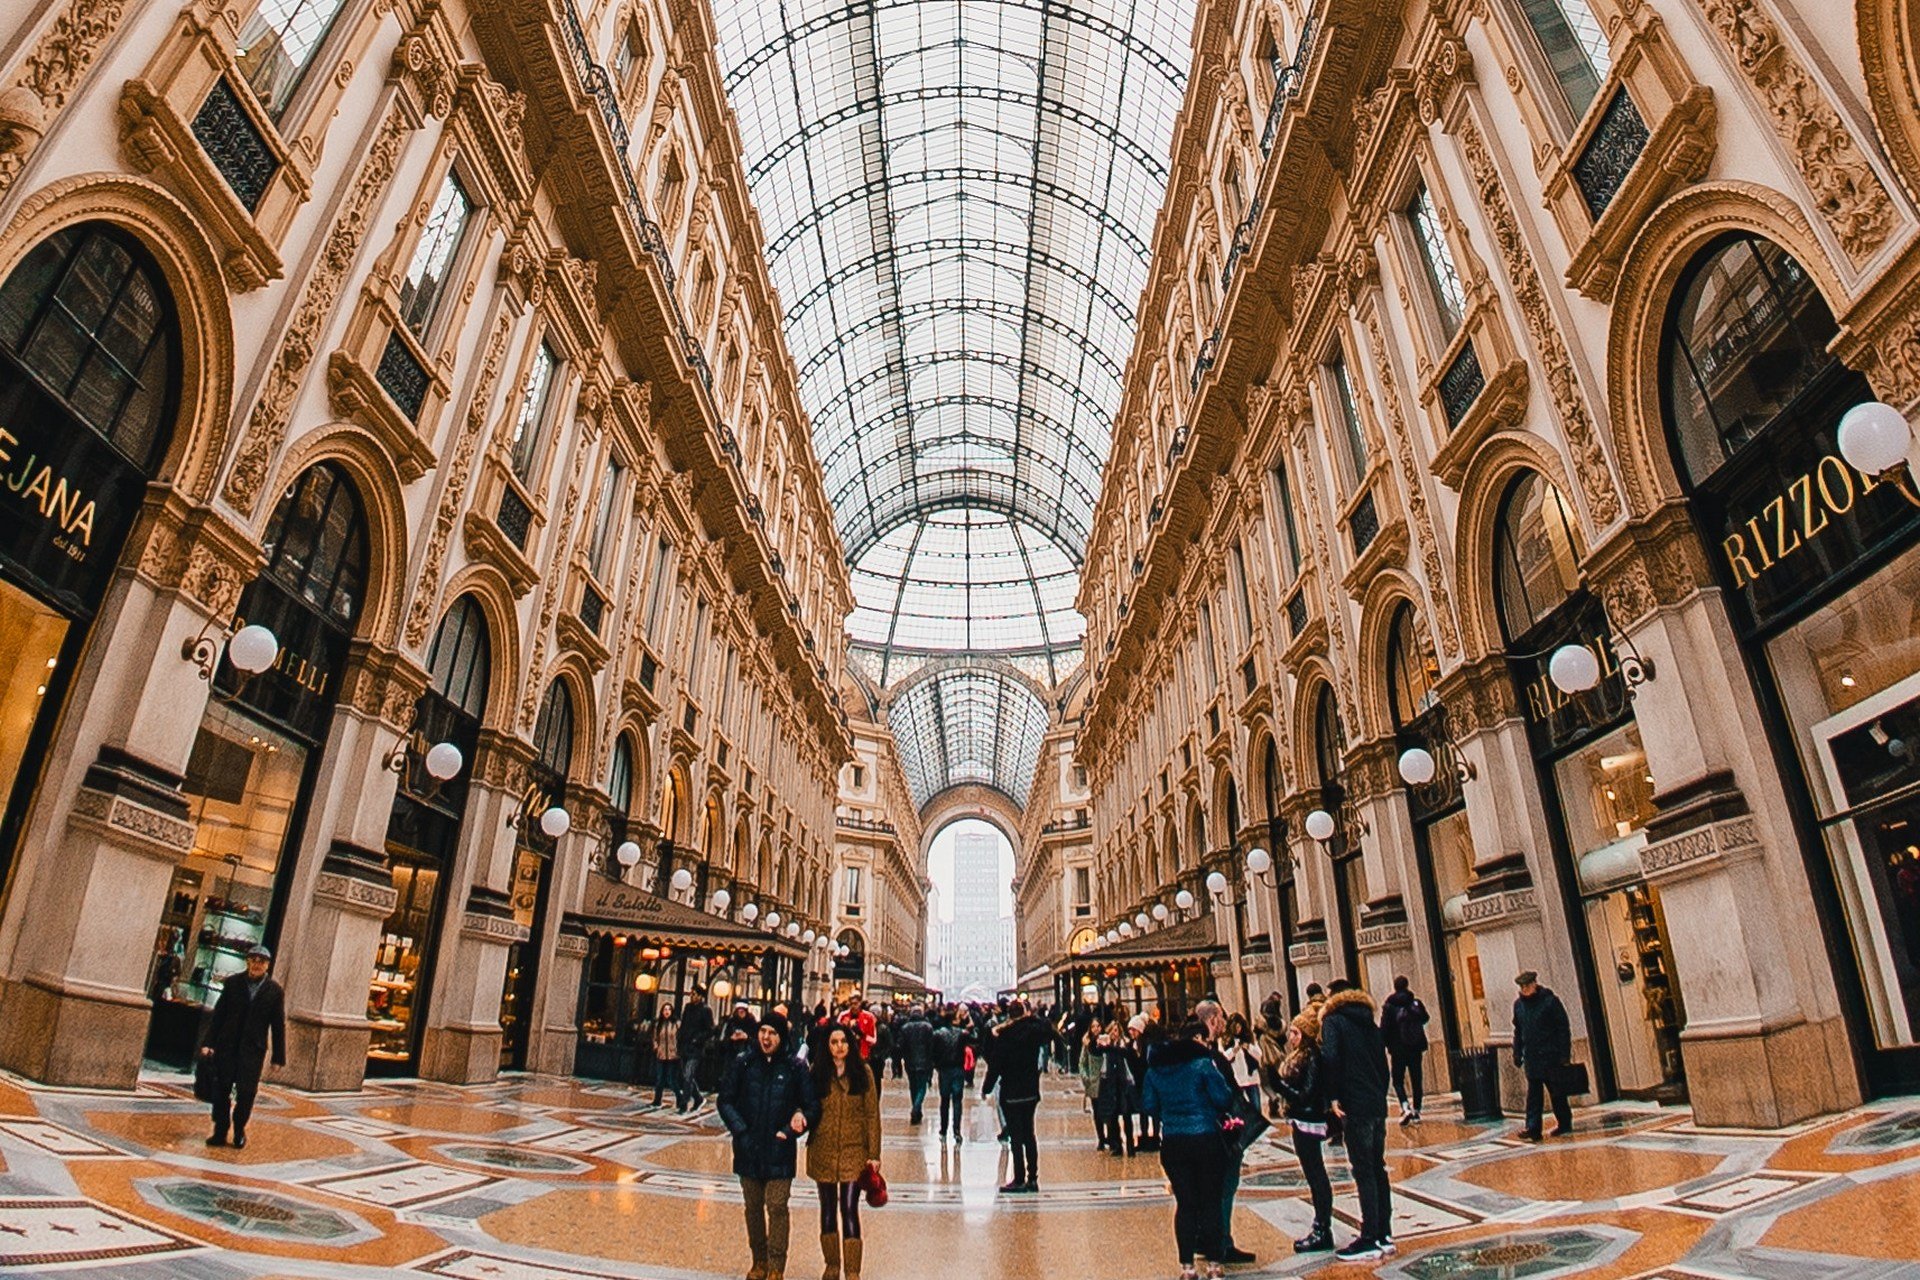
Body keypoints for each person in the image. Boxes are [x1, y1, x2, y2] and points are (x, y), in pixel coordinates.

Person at [719, 1014, 818, 1280]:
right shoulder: (744, 1063)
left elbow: (811, 1106)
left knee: (776, 1206)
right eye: (763, 1031)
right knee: (752, 1207)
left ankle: (776, 1266)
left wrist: (793, 1126)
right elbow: (725, 1100)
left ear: (781, 1037)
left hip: (779, 1148)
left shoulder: (795, 1068)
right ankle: (758, 1261)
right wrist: (740, 1130)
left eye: (772, 1033)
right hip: (748, 1147)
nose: (766, 1037)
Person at [1141, 1019, 1236, 1280]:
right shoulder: (1203, 1065)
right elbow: (1223, 1098)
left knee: (1185, 1204)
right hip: (1205, 1139)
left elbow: (1148, 1105)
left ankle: (1187, 1267)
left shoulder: (1155, 1071)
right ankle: (1215, 1266)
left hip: (1173, 1142)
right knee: (1210, 1202)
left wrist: (1169, 1112)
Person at [1319, 983, 1393, 1261]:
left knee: (1362, 1169)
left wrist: (1334, 1096)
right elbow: (1383, 1064)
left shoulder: (1333, 1022)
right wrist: (1378, 1092)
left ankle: (1369, 1237)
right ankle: (1384, 1233)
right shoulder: (1369, 1022)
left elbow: (1331, 1058)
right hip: (1375, 1102)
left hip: (1355, 1103)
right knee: (1377, 1167)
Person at [807, 1026, 881, 1280]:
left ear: (850, 1045)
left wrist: (874, 1153)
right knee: (827, 1207)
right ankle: (832, 1264)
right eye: (833, 1042)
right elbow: (807, 1106)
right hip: (823, 1148)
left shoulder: (864, 1073)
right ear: (827, 1046)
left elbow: (872, 1114)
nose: (839, 1046)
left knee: (849, 1207)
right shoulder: (817, 1072)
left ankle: (852, 1270)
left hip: (854, 1149)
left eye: (843, 1041)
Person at [199, 943, 287, 1149]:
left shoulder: (274, 991)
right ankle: (220, 1130)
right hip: (227, 1046)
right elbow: (219, 1015)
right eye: (253, 960)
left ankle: (239, 1129)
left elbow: (278, 1024)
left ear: (268, 965)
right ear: (247, 961)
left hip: (252, 1050)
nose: (257, 965)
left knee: (247, 1092)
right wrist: (208, 1043)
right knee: (221, 1088)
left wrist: (278, 1057)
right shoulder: (233, 983)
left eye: (261, 961)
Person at [1196, 1000, 1257, 1267]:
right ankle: (1221, 1242)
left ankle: (1206, 1237)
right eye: (1220, 1016)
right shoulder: (1212, 1059)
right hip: (1221, 1134)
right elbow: (1225, 1095)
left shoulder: (1192, 1056)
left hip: (1201, 1134)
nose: (1224, 1021)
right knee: (1224, 1188)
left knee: (1207, 1188)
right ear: (1211, 1020)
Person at [982, 999, 1061, 1192]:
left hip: (1011, 1092)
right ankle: (1033, 1178)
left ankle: (1019, 1179)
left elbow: (996, 1065)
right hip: (1030, 1091)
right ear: (1024, 1013)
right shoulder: (1033, 1032)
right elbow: (1049, 1029)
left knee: (1016, 1137)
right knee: (1029, 1135)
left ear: (1009, 1015)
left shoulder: (1004, 1036)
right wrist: (1031, 1017)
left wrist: (986, 1088)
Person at [1274, 1008, 1334, 1254]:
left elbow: (1307, 1093)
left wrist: (1282, 1088)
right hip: (1302, 1119)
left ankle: (1322, 1229)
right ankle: (1321, 1226)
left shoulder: (1311, 1056)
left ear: (1306, 1034)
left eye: (1295, 1032)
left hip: (1309, 1120)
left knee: (1316, 1174)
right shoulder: (1302, 1054)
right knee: (1313, 1174)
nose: (1290, 1036)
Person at [1511, 970, 1575, 1140]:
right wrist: (1517, 1052)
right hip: (1532, 1057)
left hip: (1550, 1056)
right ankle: (1533, 1128)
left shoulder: (1549, 1002)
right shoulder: (1519, 1006)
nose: (1525, 989)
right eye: (1522, 987)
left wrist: (1564, 1055)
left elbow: (1563, 1029)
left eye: (1527, 986)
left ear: (1534, 984)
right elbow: (1518, 1031)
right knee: (1534, 1095)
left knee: (1557, 1092)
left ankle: (1564, 1122)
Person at [1380, 976, 1431, 1124]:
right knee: (1417, 1079)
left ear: (1395, 987)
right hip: (1415, 1048)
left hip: (1398, 1049)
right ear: (1407, 986)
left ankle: (1404, 1106)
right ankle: (1417, 1109)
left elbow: (1384, 1029)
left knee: (1397, 1080)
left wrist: (1384, 1044)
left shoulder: (1389, 1006)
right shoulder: (1415, 1002)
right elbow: (1425, 1018)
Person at [931, 1006, 973, 1143]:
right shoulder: (962, 1033)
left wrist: (936, 1065)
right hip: (958, 1069)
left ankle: (943, 1129)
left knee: (944, 1100)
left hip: (944, 1070)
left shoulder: (938, 1034)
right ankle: (957, 1130)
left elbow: (934, 1052)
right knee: (957, 1100)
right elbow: (976, 1039)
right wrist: (968, 1022)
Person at [895, 1004, 935, 1125]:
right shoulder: (928, 1027)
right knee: (922, 1088)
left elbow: (900, 1046)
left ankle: (916, 1110)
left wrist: (899, 1061)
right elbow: (931, 1046)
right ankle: (916, 1109)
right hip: (924, 1062)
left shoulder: (905, 1028)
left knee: (913, 1087)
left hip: (910, 1061)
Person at [680, 989, 717, 1109]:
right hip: (685, 1045)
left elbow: (710, 1030)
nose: (691, 996)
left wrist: (698, 1039)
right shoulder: (688, 1008)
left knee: (688, 1074)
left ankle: (684, 1102)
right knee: (687, 1075)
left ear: (700, 996)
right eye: (691, 994)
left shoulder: (706, 1010)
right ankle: (698, 1098)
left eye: (694, 994)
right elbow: (684, 1025)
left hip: (696, 1048)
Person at [840, 994, 880, 1101]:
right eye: (851, 1004)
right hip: (845, 1055)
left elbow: (873, 1040)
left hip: (863, 1055)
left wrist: (862, 1035)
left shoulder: (869, 1017)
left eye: (856, 1003)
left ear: (860, 1004)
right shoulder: (843, 1016)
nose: (854, 1006)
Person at [650, 1003, 686, 1111]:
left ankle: (679, 1098)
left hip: (673, 1055)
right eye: (664, 1009)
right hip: (661, 1055)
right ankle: (657, 1100)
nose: (666, 1012)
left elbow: (681, 1037)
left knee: (671, 1080)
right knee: (659, 1078)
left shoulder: (676, 1024)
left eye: (669, 1009)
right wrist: (656, 1047)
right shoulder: (659, 1024)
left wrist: (678, 1049)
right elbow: (655, 1037)